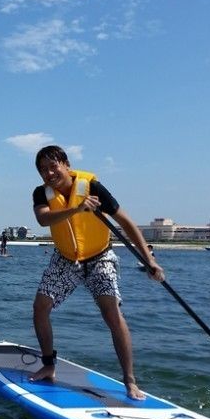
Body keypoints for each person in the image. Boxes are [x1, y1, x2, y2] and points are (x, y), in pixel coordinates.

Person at [29, 145, 164, 400]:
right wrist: (77, 209)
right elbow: (43, 219)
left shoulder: (94, 188)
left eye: (53, 166)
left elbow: (126, 222)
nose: (49, 173)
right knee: (40, 307)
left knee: (112, 313)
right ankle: (48, 364)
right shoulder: (41, 193)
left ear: (66, 165)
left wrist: (149, 259)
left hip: (100, 256)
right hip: (66, 260)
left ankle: (130, 381)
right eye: (43, 170)